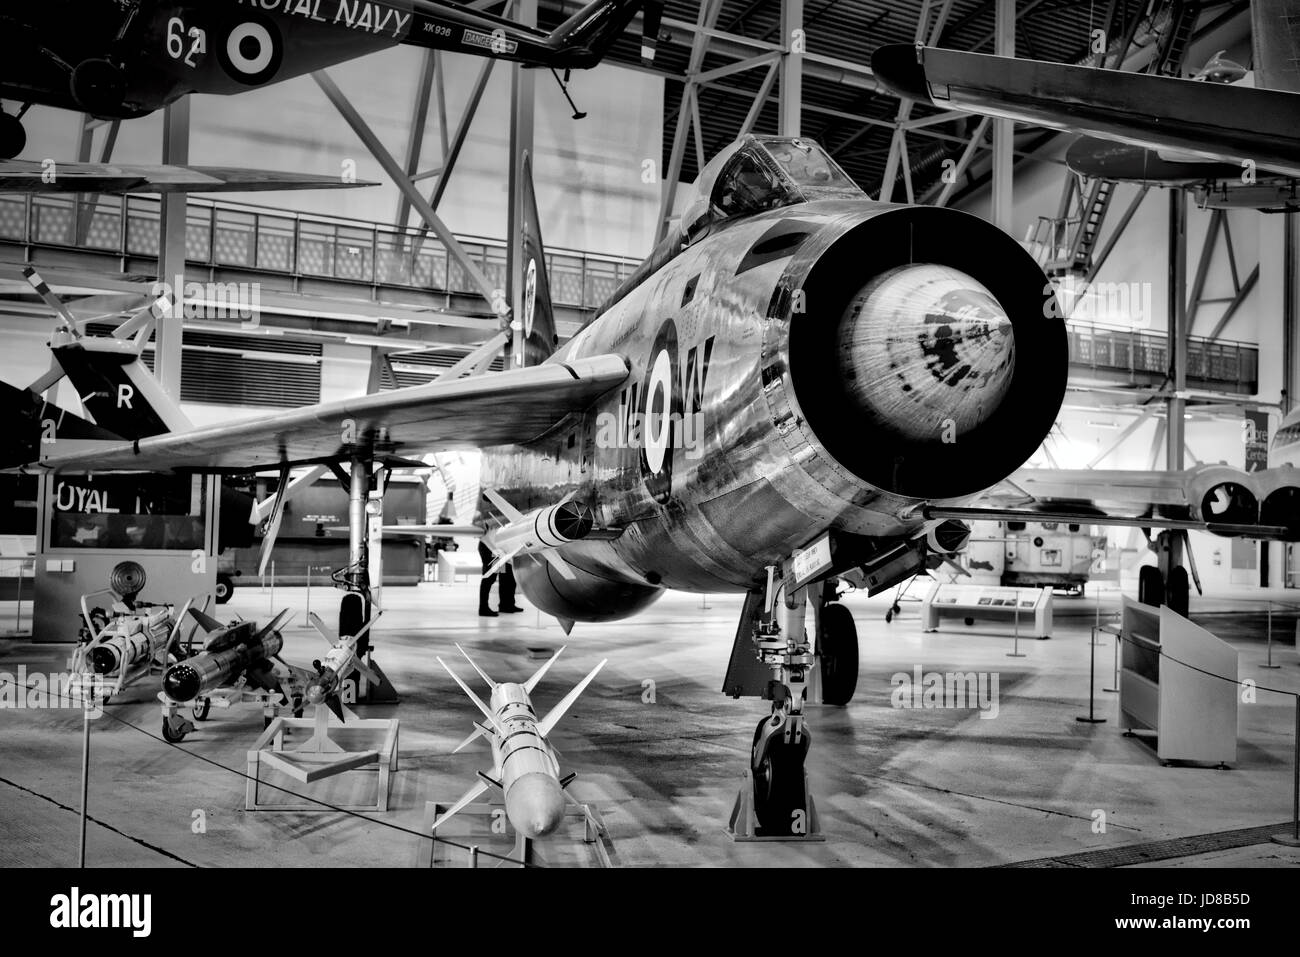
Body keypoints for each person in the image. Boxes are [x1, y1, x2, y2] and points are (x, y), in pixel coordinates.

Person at [478, 540, 523, 616]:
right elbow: (486, 536)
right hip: (491, 548)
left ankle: (507, 605)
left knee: (508, 578)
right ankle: (483, 608)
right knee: (489, 579)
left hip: (500, 548)